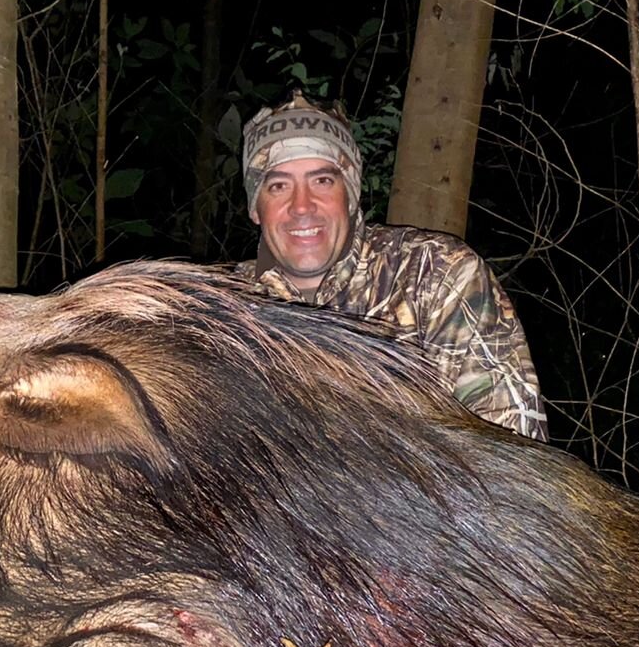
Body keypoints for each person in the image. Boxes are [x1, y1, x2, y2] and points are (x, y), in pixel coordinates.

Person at [235, 92, 548, 441]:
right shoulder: (224, 313)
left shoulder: (438, 275)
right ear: (255, 207)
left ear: (351, 195)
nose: (302, 205)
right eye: (278, 186)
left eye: (322, 180)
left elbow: (514, 456)